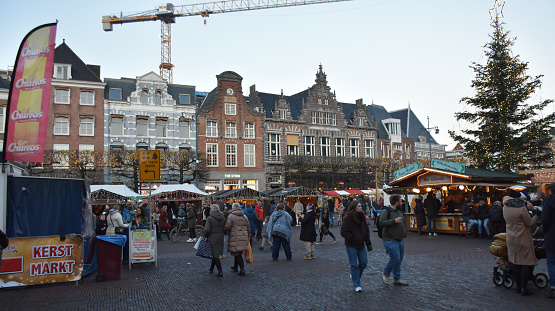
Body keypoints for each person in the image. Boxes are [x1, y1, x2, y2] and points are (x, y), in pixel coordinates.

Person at [503, 189, 540, 296]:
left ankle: (518, 287)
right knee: (526, 263)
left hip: (511, 237)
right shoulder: (521, 208)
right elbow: (529, 223)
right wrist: (536, 215)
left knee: (515, 262)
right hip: (522, 237)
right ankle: (524, 288)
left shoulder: (505, 207)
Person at [341, 200, 372, 292]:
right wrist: (352, 237)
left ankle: (356, 276)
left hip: (361, 244)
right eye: (359, 206)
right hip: (351, 244)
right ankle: (357, 284)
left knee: (364, 262)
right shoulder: (348, 219)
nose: (361, 208)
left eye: (361, 206)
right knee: (354, 264)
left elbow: (366, 230)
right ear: (354, 207)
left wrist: (368, 243)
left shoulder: (362, 218)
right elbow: (343, 231)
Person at [380, 194, 408, 286]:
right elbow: (382, 223)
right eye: (400, 201)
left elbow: (403, 223)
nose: (402, 203)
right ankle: (386, 274)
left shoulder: (400, 211)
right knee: (395, 258)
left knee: (399, 259)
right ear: (396, 202)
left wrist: (404, 234)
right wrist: (394, 221)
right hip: (389, 239)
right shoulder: (386, 211)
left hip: (400, 239)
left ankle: (397, 278)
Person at [224, 202, 250, 276]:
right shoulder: (244, 216)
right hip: (244, 236)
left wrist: (224, 230)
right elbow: (248, 227)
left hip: (235, 236)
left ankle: (242, 269)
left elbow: (228, 226)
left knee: (237, 253)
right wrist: (248, 236)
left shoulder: (231, 216)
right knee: (238, 252)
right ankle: (235, 266)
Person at [541, 183, 555, 298]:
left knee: (552, 262)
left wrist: (546, 231)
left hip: (552, 235)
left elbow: (545, 220)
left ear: (550, 191)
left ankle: (554, 286)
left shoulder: (549, 202)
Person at [205, 204, 226, 277]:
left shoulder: (210, 218)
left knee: (216, 254)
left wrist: (206, 236)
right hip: (221, 236)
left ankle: (220, 271)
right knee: (216, 252)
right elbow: (225, 227)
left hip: (213, 236)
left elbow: (207, 229)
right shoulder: (222, 217)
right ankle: (211, 268)